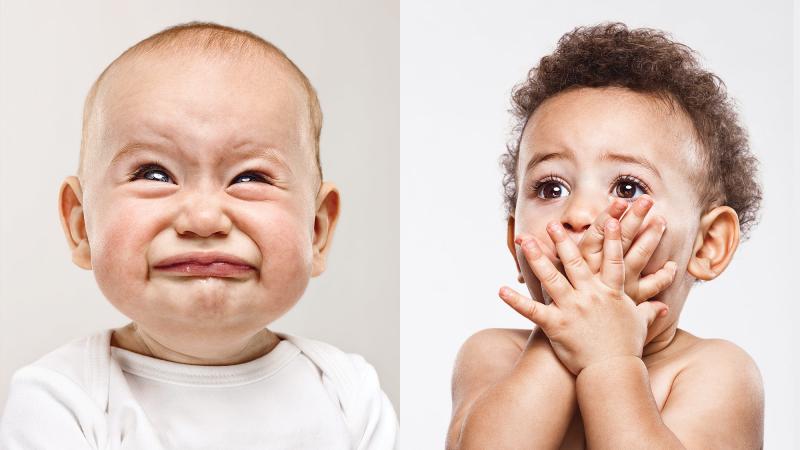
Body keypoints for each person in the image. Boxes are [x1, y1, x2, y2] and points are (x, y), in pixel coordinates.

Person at [0, 22, 397, 449]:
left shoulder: (348, 393)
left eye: (250, 177)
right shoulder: (64, 399)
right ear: (81, 227)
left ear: (316, 230)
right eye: (154, 173)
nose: (205, 218)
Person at [447, 23, 764, 449]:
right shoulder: (492, 356)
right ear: (516, 241)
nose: (578, 214)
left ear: (708, 244)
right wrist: (565, 335)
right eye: (550, 188)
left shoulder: (715, 372)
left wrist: (610, 359)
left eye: (627, 188)